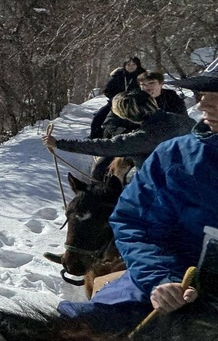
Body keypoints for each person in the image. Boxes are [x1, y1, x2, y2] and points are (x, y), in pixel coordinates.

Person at [57, 59, 218, 327]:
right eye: (202, 96)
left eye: (216, 98)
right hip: (168, 277)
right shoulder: (174, 151)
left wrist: (61, 144)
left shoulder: (162, 125)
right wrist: (161, 278)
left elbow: (112, 144)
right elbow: (134, 220)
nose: (202, 105)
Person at [42, 89, 194, 175]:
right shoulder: (182, 120)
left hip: (162, 188)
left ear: (127, 115)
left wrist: (58, 144)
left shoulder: (142, 138)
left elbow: (102, 146)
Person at [90, 56, 146, 138]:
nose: (131, 66)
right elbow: (107, 90)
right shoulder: (118, 75)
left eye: (133, 64)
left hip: (138, 104)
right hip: (116, 102)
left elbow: (148, 90)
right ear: (124, 65)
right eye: (128, 64)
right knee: (98, 117)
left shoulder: (143, 76)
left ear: (137, 65)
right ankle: (94, 139)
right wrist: (117, 99)